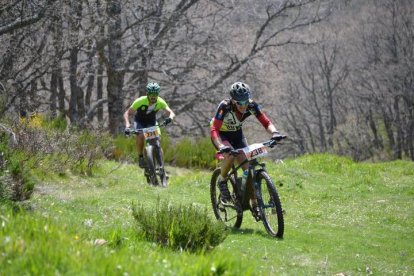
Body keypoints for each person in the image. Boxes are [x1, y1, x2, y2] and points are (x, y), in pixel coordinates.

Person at [210, 82, 283, 204]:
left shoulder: (251, 105)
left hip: (237, 135)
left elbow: (266, 122)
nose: (243, 105)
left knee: (247, 168)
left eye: (245, 102)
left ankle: (254, 203)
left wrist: (275, 133)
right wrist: (221, 146)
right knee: (231, 156)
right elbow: (214, 129)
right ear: (233, 101)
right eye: (240, 103)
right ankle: (222, 181)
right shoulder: (224, 106)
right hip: (221, 135)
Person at [123, 82, 175, 168]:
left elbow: (171, 112)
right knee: (140, 136)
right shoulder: (140, 101)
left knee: (156, 141)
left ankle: (161, 166)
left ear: (158, 94)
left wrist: (170, 118)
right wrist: (127, 126)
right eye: (151, 94)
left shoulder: (160, 101)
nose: (153, 96)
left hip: (151, 122)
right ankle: (141, 157)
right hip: (139, 121)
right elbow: (127, 113)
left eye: (155, 94)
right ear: (147, 93)